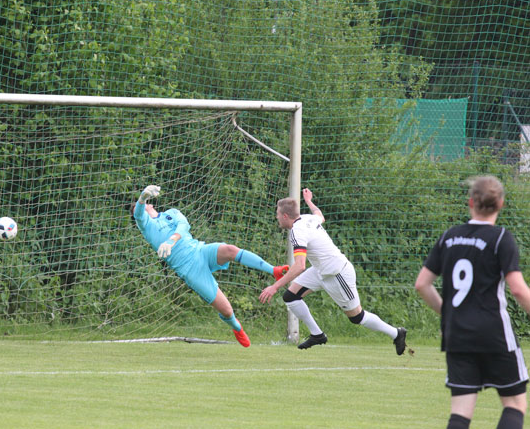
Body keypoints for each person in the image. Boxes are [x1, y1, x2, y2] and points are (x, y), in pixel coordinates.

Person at [414, 175, 530, 429]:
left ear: (470, 202)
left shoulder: (449, 237)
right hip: (494, 333)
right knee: (514, 404)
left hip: (458, 334)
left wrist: (448, 312)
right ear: (501, 204)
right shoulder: (500, 238)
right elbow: (519, 290)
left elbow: (422, 284)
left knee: (461, 412)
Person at [132, 184, 288, 347]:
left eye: (145, 201)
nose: (145, 204)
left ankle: (273, 270)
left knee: (230, 249)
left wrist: (172, 240)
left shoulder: (171, 213)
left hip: (200, 250)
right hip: (191, 270)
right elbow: (138, 214)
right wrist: (142, 197)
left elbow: (184, 226)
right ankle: (236, 327)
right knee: (227, 310)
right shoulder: (145, 225)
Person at [259, 187, 407, 355]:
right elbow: (320, 215)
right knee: (290, 297)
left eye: (278, 214)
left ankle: (396, 333)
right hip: (321, 270)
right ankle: (317, 335)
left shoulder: (297, 232)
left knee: (356, 317)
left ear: (285, 216)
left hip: (337, 273)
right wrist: (309, 201)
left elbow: (300, 266)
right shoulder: (308, 218)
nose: (277, 217)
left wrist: (274, 286)